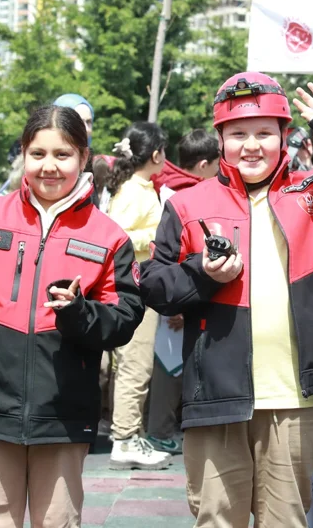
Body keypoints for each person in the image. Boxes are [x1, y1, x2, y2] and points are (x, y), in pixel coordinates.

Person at [140, 73, 313, 527]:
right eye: (238, 134)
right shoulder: (186, 204)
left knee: (287, 521)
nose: (252, 145)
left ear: (286, 136)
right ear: (219, 139)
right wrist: (201, 273)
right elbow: (155, 287)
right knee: (217, 518)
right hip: (215, 398)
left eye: (265, 133)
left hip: (295, 399)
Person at [0, 105, 145, 527]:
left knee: (58, 521)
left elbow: (124, 319)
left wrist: (79, 314)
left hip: (64, 411)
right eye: (38, 154)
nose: (49, 166)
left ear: (84, 157)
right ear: (23, 153)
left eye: (63, 154)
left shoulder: (108, 236)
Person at [145, 129, 222, 456]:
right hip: (173, 294)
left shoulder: (164, 185)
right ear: (204, 164)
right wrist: (174, 303)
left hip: (178, 291)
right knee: (167, 366)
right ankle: (160, 430)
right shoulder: (180, 195)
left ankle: (163, 427)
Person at [103, 122, 173, 471]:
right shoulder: (135, 190)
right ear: (156, 154)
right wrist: (157, 233)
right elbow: (118, 237)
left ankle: (129, 433)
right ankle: (126, 437)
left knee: (134, 364)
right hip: (132, 287)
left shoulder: (140, 186)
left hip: (138, 284)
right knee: (136, 363)